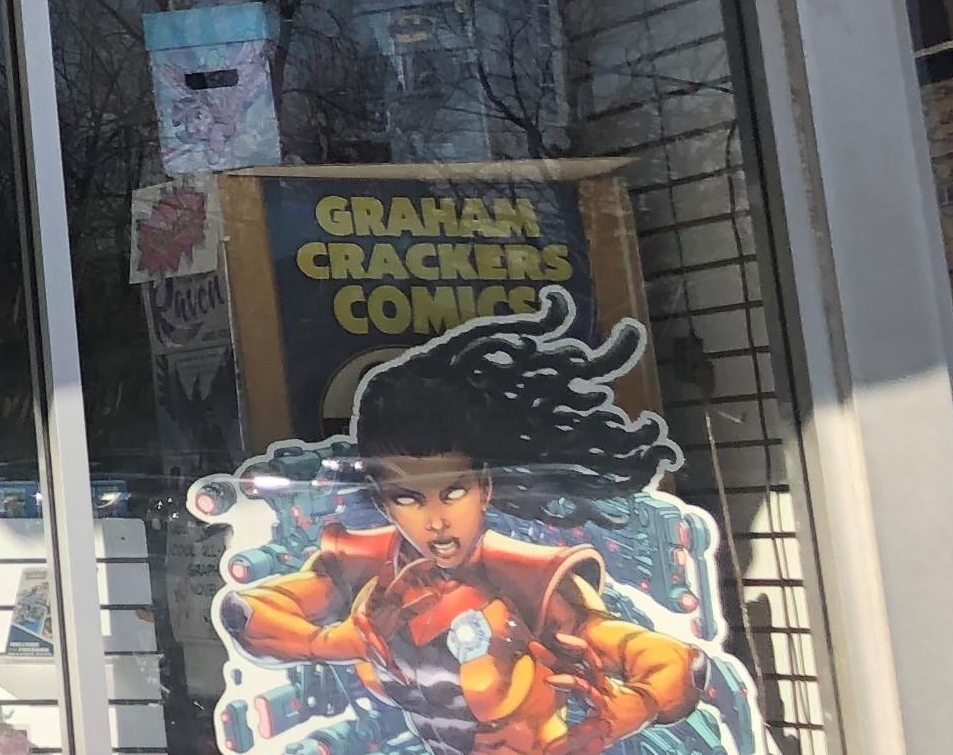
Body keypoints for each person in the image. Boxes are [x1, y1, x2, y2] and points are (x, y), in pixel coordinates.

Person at [226, 290, 703, 755]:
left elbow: (674, 661)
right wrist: (333, 641)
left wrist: (637, 706)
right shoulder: (372, 573)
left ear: (485, 487)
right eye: (408, 498)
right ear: (382, 501)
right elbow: (247, 614)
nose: (436, 521)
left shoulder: (526, 581)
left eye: (453, 493)